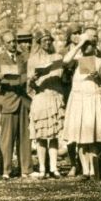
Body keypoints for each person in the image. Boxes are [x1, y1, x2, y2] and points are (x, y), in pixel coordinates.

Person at [61, 29, 101, 179]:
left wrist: (97, 77)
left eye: (88, 44)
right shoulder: (76, 59)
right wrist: (79, 43)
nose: (85, 47)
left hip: (93, 99)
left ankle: (94, 170)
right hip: (78, 100)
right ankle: (85, 170)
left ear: (94, 46)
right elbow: (65, 61)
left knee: (92, 137)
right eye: (84, 45)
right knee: (80, 137)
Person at [0, 31, 33, 178]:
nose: (12, 44)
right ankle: (6, 169)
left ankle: (25, 169)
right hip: (8, 101)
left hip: (23, 100)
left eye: (14, 41)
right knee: (7, 138)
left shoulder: (24, 57)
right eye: (8, 42)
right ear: (4, 44)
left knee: (25, 137)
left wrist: (30, 77)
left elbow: (29, 74)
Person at [27, 30, 66, 178]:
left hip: (54, 96)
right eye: (44, 40)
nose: (47, 43)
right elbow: (29, 86)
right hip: (41, 97)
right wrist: (32, 78)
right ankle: (43, 167)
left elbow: (61, 76)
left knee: (54, 135)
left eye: (49, 40)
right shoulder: (33, 59)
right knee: (41, 135)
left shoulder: (57, 57)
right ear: (39, 43)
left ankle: (54, 167)